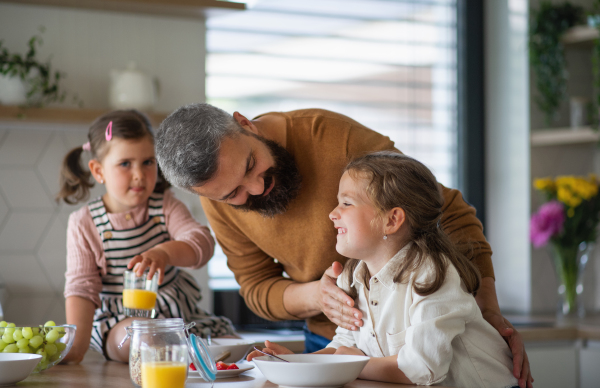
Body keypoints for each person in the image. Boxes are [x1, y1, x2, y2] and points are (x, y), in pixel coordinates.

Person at [155, 104, 533, 387]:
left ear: (245, 124)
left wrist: (487, 310)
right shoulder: (354, 275)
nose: (254, 188)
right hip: (350, 341)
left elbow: (441, 207)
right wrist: (313, 321)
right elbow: (256, 287)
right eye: (234, 193)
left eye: (251, 164)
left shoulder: (332, 136)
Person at [247, 151, 520, 387]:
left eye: (346, 202)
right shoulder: (353, 277)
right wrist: (294, 363)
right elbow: (345, 346)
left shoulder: (433, 276)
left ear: (392, 220)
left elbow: (422, 369)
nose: (332, 213)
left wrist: (353, 363)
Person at [57, 110, 235, 364]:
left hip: (178, 319)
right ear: (98, 171)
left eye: (148, 162)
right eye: (125, 164)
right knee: (144, 338)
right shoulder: (84, 223)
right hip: (121, 326)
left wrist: (165, 253)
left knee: (234, 345)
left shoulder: (165, 206)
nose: (139, 174)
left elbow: (201, 244)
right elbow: (82, 289)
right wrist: (74, 349)